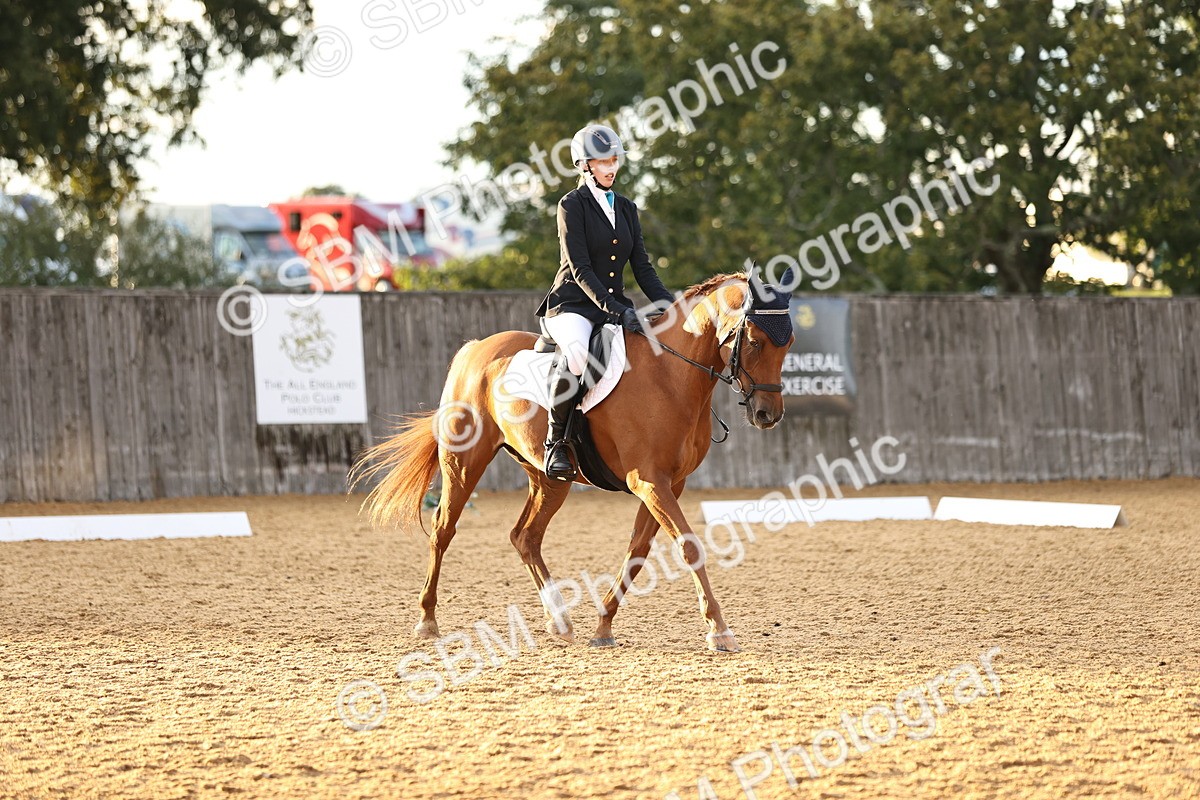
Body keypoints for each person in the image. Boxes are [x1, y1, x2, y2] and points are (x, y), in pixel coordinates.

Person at [534, 124, 675, 481]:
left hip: (613, 306)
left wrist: (673, 306)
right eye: (602, 162)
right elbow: (579, 268)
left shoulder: (627, 208)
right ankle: (556, 443)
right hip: (571, 306)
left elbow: (642, 267)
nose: (611, 168)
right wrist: (617, 310)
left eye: (614, 160)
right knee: (579, 353)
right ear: (584, 165)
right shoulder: (571, 206)